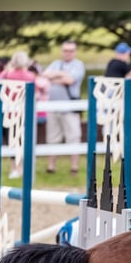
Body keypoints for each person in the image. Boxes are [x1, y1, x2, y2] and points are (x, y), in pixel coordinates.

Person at [42, 40, 85, 175]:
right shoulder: (56, 63)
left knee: (73, 136)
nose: (68, 53)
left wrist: (55, 76)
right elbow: (44, 76)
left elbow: (70, 80)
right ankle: (51, 167)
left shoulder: (78, 65)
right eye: (65, 50)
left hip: (70, 107)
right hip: (53, 106)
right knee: (53, 137)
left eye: (71, 50)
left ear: (75, 52)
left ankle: (74, 167)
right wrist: (61, 75)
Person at [0, 51, 38, 179]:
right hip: (25, 111)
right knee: (23, 139)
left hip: (10, 111)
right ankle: (22, 167)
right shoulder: (30, 76)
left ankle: (14, 168)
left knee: (12, 140)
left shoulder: (8, 74)